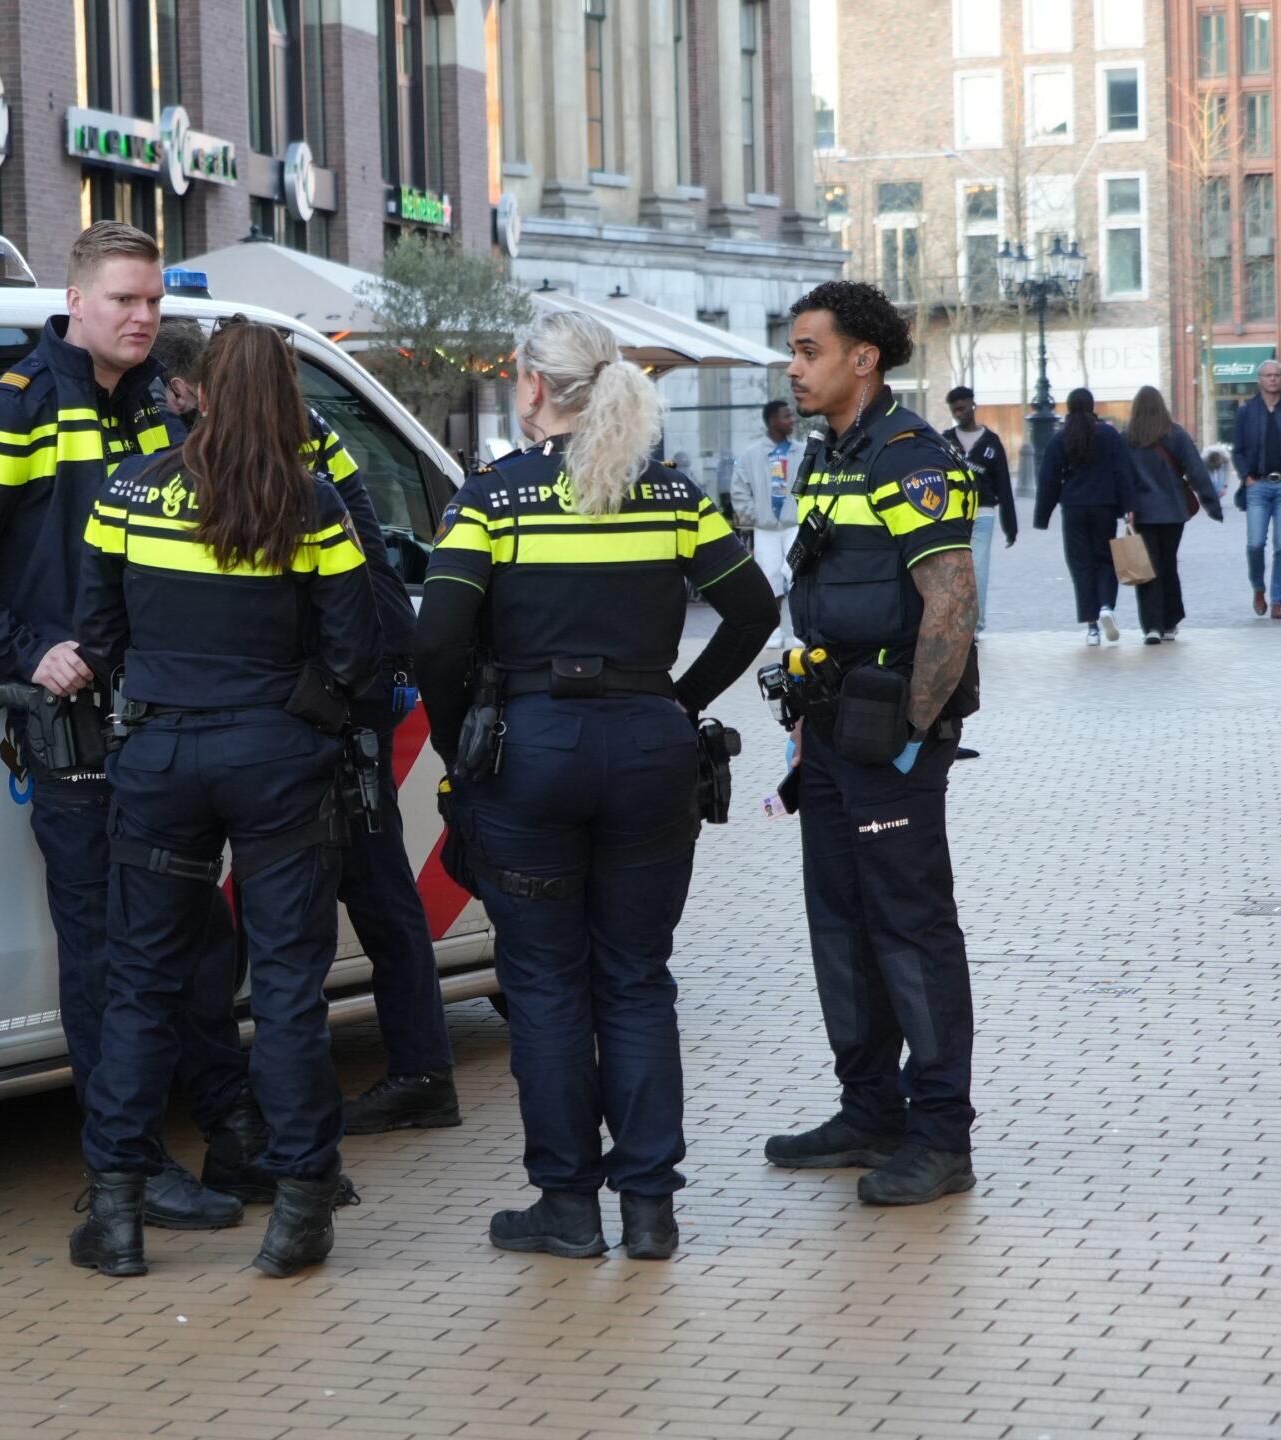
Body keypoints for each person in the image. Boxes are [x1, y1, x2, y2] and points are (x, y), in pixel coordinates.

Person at [0, 221, 253, 1234]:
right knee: (109, 956)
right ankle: (128, 1168)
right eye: (123, 301)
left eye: (152, 302)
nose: (143, 318)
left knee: (194, 941)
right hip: (76, 730)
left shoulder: (153, 406)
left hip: (161, 720)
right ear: (73, 302)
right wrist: (27, 648)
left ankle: (229, 1136)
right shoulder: (13, 409)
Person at [418, 312, 772, 1261]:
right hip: (649, 754)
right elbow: (753, 609)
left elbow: (439, 637)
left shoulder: (494, 500)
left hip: (531, 755)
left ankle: (568, 1206)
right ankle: (651, 1208)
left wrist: (461, 745)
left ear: (531, 387)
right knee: (637, 979)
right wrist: (676, 701)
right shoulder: (667, 494)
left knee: (543, 985)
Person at [68, 320, 383, 1279]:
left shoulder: (128, 491)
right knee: (288, 988)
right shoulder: (313, 503)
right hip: (276, 760)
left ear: (197, 392)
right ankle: (297, 1216)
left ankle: (116, 1218)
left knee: (142, 982)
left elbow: (95, 629)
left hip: (160, 755)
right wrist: (302, 721)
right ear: (284, 402)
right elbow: (356, 647)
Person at [162, 316, 460, 1134]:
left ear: (193, 391)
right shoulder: (282, 437)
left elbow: (359, 570)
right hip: (298, 698)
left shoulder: (287, 445)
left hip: (329, 694)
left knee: (370, 881)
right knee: (320, 886)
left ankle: (420, 1071)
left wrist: (340, 694)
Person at [762, 280, 983, 1208]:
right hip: (830, 731)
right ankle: (869, 1108)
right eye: (793, 350)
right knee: (841, 925)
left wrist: (911, 733)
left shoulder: (909, 456)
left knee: (909, 930)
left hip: (887, 738)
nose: (793, 366)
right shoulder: (829, 456)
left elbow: (952, 600)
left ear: (864, 359)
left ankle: (940, 1135)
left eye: (809, 350)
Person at [1032, 387, 1138, 645]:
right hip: (1104, 507)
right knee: (1105, 560)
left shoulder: (1060, 439)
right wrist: (1129, 507)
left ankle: (1092, 626)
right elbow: (1123, 472)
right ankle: (1106, 607)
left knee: (1081, 564)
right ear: (1092, 407)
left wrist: (1042, 516)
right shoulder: (1109, 435)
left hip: (1074, 508)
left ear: (1068, 408)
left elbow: (1049, 480)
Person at [1120, 384, 1222, 643]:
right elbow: (1196, 470)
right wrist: (1212, 504)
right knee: (1168, 564)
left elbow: (1120, 476)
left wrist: (1124, 507)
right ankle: (1170, 621)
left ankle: (1152, 625)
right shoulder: (1175, 433)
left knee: (1147, 568)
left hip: (1141, 513)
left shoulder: (1128, 436)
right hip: (1173, 511)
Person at [1231, 359, 1281, 620]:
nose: (1273, 379)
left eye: (1277, 375)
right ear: (1260, 380)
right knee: (1255, 544)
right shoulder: (1246, 412)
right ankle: (1258, 588)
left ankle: (1278, 601)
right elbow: (1238, 450)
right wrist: (1246, 478)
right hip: (1257, 485)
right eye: (1268, 375)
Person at [728, 399, 805, 645]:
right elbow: (738, 489)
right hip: (766, 529)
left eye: (792, 416)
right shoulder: (752, 454)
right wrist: (754, 515)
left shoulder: (802, 451)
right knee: (769, 578)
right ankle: (773, 632)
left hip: (795, 525)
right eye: (786, 416)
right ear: (772, 420)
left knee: (797, 576)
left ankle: (798, 632)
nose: (792, 420)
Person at [942, 386, 1019, 634]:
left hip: (983, 512)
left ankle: (976, 623)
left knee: (978, 568)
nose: (958, 414)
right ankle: (956, 620)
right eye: (954, 410)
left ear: (972, 405)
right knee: (953, 568)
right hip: (953, 513)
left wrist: (1011, 527)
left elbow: (1004, 486)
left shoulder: (992, 442)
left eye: (962, 408)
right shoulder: (945, 440)